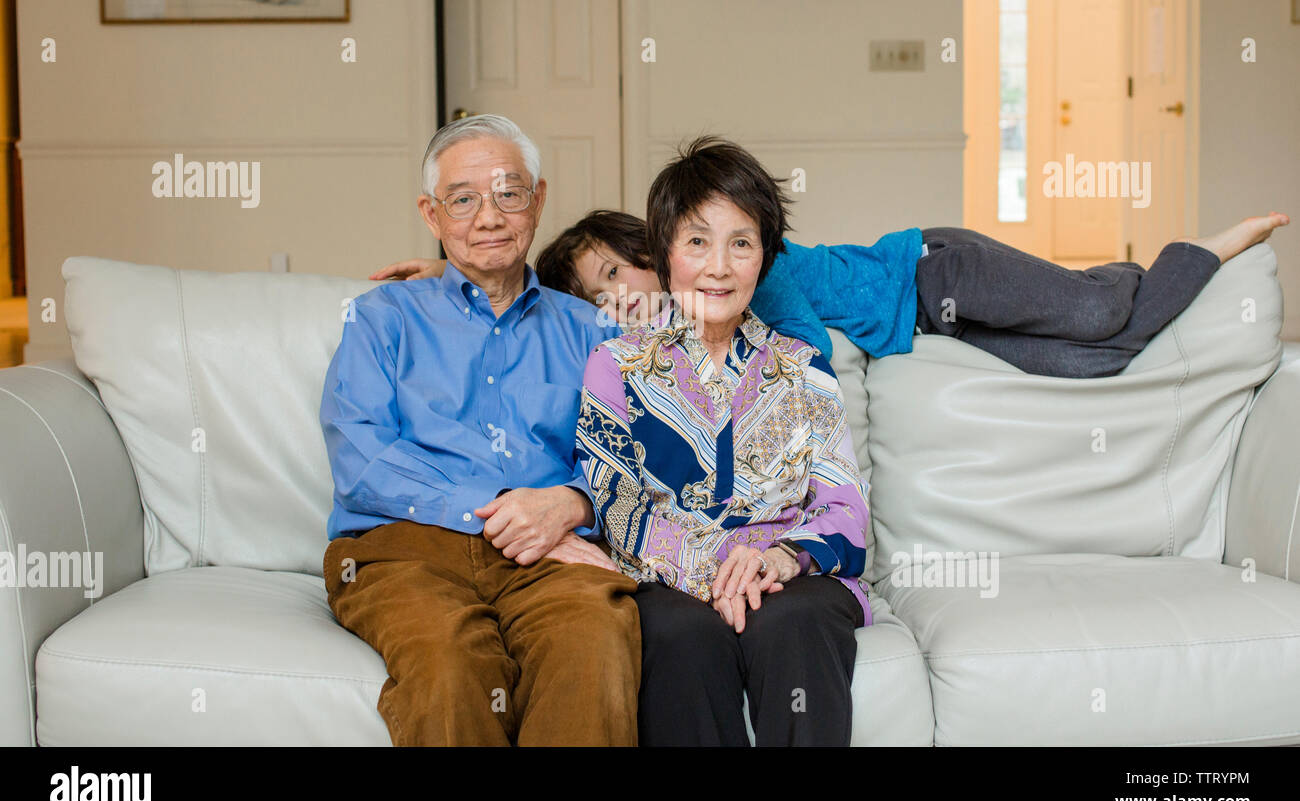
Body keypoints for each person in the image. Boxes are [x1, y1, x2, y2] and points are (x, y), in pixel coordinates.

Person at [374, 147, 1289, 379]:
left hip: (935, 273)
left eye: (624, 269)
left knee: (1096, 314)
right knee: (1096, 360)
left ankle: (1198, 250)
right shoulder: (668, 320)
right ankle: (1165, 301)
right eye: (599, 289)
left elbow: (802, 351)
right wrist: (452, 275)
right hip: (932, 331)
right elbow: (547, 312)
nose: (618, 294)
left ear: (662, 255)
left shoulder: (745, 272)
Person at [320, 114, 638, 746]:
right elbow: (361, 457)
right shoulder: (383, 318)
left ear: (538, 200)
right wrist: (490, 513)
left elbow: (630, 456)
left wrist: (572, 501)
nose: (488, 218)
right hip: (404, 549)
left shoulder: (594, 332)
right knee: (449, 660)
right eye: (463, 200)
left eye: (508, 194)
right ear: (432, 216)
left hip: (548, 552)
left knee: (593, 644)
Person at [576, 139, 871, 745]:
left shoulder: (804, 367)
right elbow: (616, 502)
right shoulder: (614, 365)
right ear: (663, 255)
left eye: (742, 242)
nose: (719, 266)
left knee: (796, 618)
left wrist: (779, 559)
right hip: (672, 579)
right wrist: (717, 568)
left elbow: (844, 507)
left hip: (786, 575)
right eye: (696, 241)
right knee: (679, 634)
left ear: (763, 258)